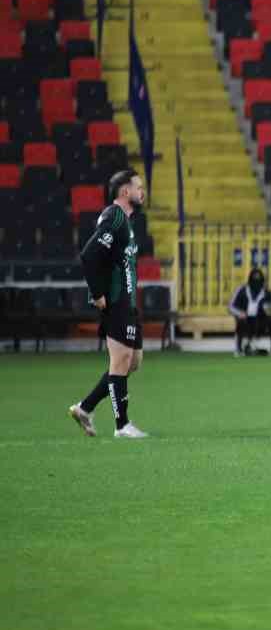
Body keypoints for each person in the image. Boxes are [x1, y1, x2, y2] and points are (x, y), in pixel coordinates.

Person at [67, 169, 149, 439]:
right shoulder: (114, 216)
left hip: (128, 301)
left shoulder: (126, 222)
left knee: (132, 361)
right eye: (138, 187)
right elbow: (89, 255)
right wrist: (98, 293)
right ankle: (122, 425)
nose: (142, 191)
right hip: (115, 300)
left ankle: (85, 407)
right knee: (120, 360)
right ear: (125, 192)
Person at [228, 267, 271, 357]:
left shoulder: (267, 292)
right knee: (241, 321)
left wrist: (270, 310)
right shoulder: (241, 290)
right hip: (246, 320)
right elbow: (231, 306)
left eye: (259, 278)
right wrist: (240, 313)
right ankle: (238, 349)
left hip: (260, 321)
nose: (256, 281)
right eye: (254, 278)